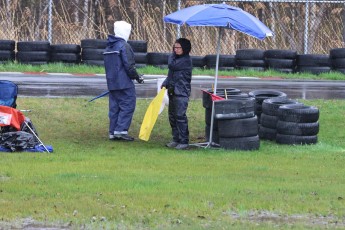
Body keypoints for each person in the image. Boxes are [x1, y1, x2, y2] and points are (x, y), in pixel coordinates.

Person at [104, 21, 144, 141]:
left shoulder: (109, 46)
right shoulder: (124, 46)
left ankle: (113, 132)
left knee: (114, 108)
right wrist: (137, 77)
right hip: (124, 83)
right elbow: (129, 65)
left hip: (112, 83)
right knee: (127, 105)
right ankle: (121, 131)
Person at [161, 38, 193, 150]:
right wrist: (165, 83)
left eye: (178, 47)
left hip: (181, 92)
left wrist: (171, 55)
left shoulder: (185, 60)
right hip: (173, 91)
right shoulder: (176, 59)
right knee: (172, 117)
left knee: (180, 116)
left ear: (184, 48)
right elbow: (171, 74)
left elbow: (172, 65)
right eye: (175, 47)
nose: (176, 49)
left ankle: (184, 141)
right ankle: (176, 139)